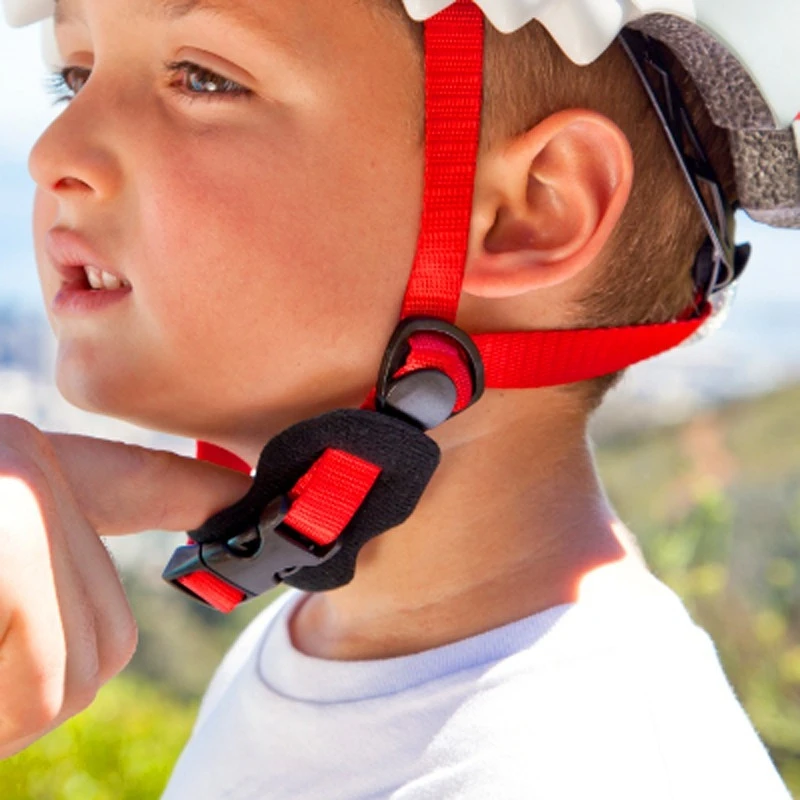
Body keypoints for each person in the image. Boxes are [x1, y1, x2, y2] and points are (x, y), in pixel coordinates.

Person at [0, 0, 796, 796]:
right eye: (75, 76)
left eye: (204, 78)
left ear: (530, 210)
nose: (51, 152)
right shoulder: (321, 648)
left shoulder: (587, 772)